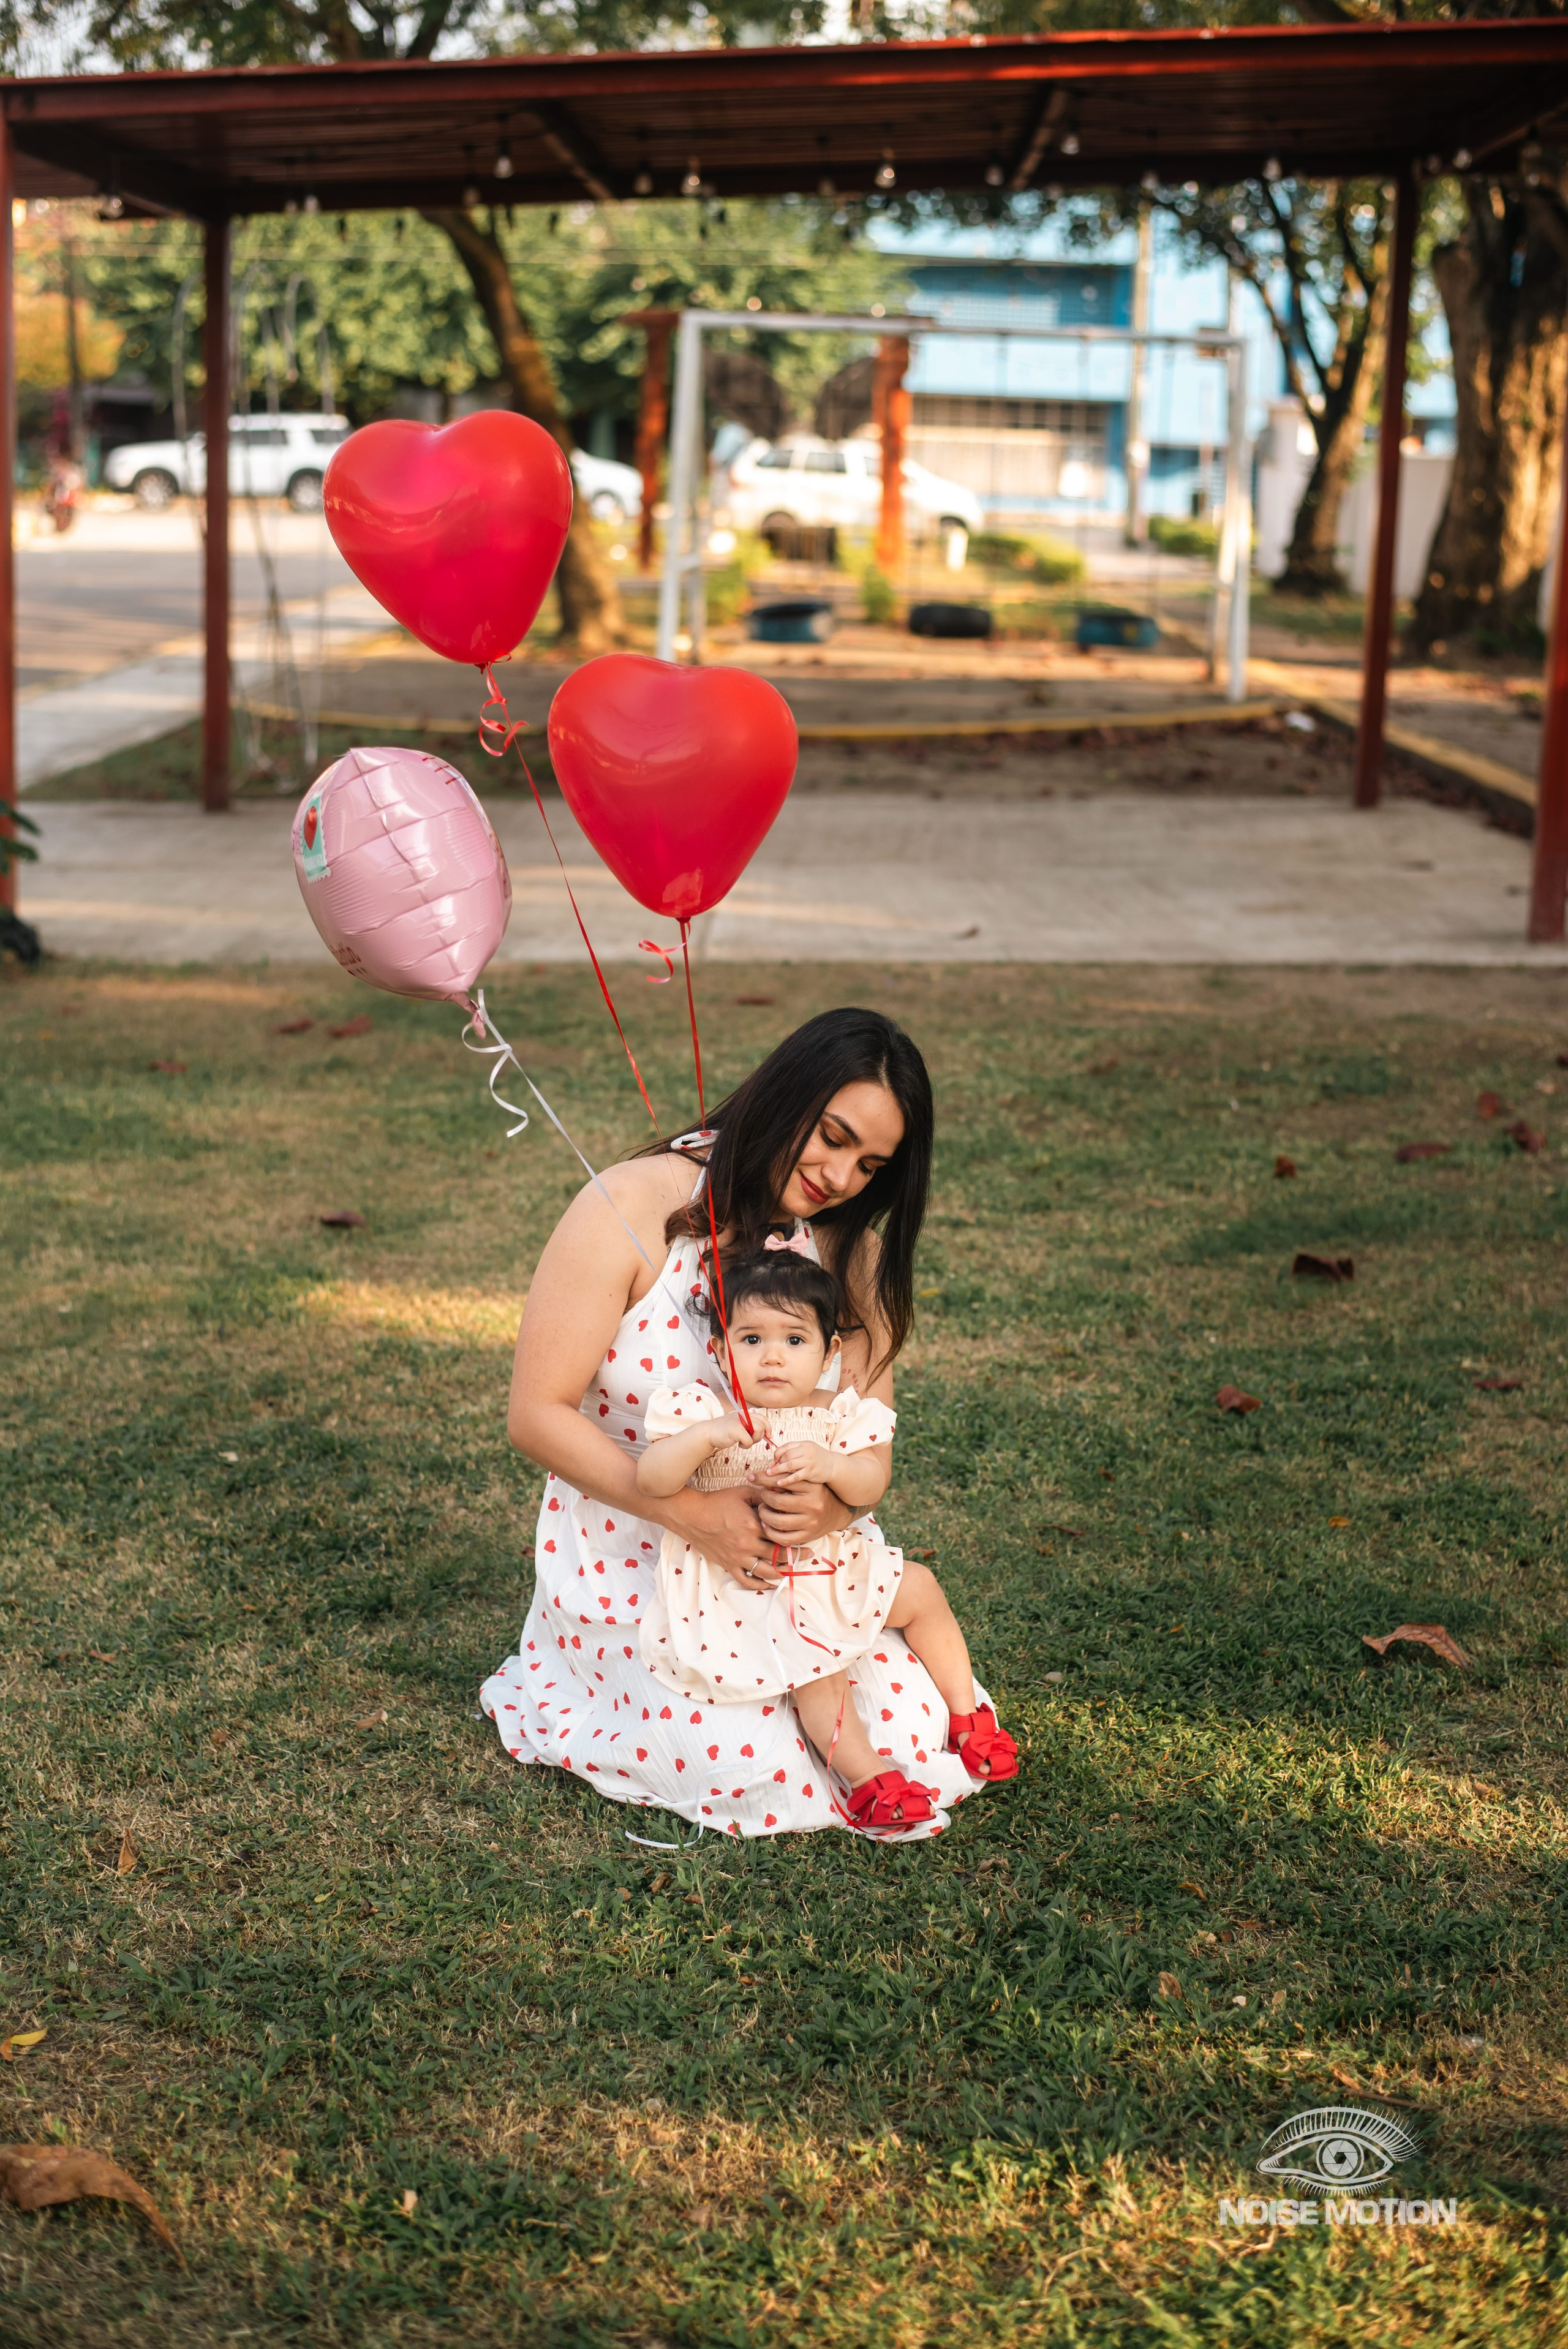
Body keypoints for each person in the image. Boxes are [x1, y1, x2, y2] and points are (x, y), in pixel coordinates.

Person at [480, 1005, 1011, 1839]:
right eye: (831, 1136)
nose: (839, 1175)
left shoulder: (847, 1253)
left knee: (911, 1726)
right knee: (743, 1763)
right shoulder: (628, 1201)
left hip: (792, 1568)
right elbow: (535, 1414)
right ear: (788, 1092)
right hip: (638, 1545)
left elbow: (869, 1441)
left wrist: (832, 1509)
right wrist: (693, 1517)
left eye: (869, 1163)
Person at [635, 1237, 1016, 1836]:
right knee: (819, 1668)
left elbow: (867, 1481)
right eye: (750, 1339)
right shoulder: (702, 1410)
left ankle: (967, 1715)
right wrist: (709, 1437)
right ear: (719, 1348)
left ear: (829, 1350)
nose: (772, 1358)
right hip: (757, 1583)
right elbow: (651, 1479)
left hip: (835, 1563)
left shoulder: (835, 1411)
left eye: (794, 1339)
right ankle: (869, 1780)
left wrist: (829, 1466)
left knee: (920, 1587)